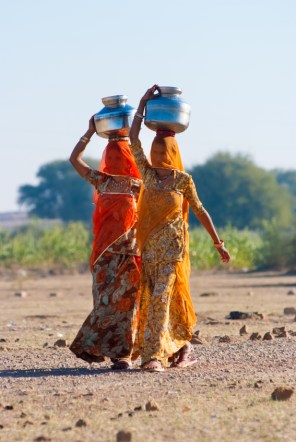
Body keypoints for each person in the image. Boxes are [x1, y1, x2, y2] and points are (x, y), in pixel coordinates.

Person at [129, 85, 231, 372]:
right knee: (152, 299)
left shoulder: (183, 180)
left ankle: (153, 358)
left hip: (173, 250)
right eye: (156, 148)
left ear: (173, 151)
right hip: (149, 250)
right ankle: (177, 347)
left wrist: (217, 243)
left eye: (164, 148)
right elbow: (132, 138)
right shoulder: (147, 174)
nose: (158, 151)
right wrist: (141, 105)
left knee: (161, 298)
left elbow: (200, 210)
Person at [69, 116, 142, 370]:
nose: (114, 161)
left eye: (119, 156)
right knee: (104, 302)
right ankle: (100, 349)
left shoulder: (138, 186)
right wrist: (88, 132)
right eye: (110, 156)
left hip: (130, 253)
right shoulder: (103, 181)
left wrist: (137, 124)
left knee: (127, 304)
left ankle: (122, 355)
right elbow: (74, 160)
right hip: (104, 254)